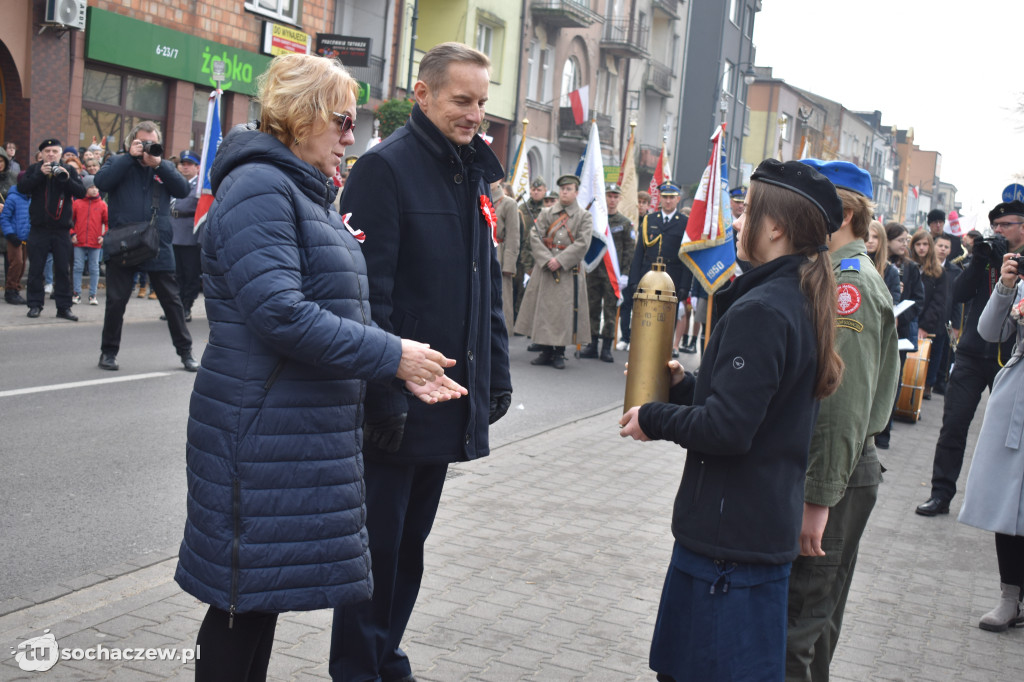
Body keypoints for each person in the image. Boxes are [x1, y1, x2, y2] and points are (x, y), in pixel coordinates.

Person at [173, 54, 465, 682]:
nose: (349, 137)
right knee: (239, 605)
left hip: (291, 430)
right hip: (259, 430)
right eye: (341, 120)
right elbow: (279, 312)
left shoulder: (301, 190)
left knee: (260, 599)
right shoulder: (260, 187)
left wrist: (396, 360)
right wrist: (394, 356)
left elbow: (330, 309)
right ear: (301, 117)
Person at [619, 158, 845, 681]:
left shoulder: (763, 309)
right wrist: (682, 388)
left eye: (747, 215)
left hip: (729, 548)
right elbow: (753, 409)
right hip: (747, 537)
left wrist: (654, 416)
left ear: (776, 227)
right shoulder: (794, 296)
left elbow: (729, 430)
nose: (736, 224)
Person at [329, 42, 512, 682]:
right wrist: (382, 391)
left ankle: (385, 654)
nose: (475, 114)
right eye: (463, 100)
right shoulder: (385, 169)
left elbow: (482, 283)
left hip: (443, 396)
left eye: (483, 102)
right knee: (374, 552)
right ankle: (358, 666)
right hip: (396, 398)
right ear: (423, 94)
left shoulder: (469, 172)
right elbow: (364, 297)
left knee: (410, 548)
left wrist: (495, 375)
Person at [783, 160, 899, 682]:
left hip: (836, 473)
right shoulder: (836, 274)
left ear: (843, 213)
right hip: (840, 472)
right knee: (817, 620)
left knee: (797, 630)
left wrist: (818, 500)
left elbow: (841, 407)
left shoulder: (847, 284)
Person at [916, 201, 1023, 515]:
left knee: (1007, 435)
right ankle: (940, 494)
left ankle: (998, 503)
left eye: (1005, 225)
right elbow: (958, 294)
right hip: (973, 354)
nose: (998, 230)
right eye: (996, 225)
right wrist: (980, 261)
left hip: (1012, 359)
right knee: (953, 425)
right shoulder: (987, 255)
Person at [94, 121, 196, 371]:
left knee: (172, 302)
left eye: (152, 142)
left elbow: (182, 190)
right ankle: (108, 353)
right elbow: (102, 182)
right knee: (116, 301)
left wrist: (159, 164)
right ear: (132, 142)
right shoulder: (119, 163)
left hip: (157, 242)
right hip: (123, 243)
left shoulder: (163, 166)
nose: (148, 147)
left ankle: (186, 353)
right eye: (142, 142)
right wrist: (130, 158)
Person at [958, 251, 1024, 632]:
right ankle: (1009, 597)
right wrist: (1005, 286)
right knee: (1008, 501)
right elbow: (989, 332)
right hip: (1016, 392)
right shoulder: (1017, 280)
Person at [514, 173, 593, 369]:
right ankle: (545, 350)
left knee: (564, 312)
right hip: (546, 269)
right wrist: (547, 259)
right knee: (545, 311)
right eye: (562, 189)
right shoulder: (547, 213)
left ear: (576, 192)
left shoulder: (584, 216)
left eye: (568, 189)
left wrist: (561, 261)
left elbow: (583, 243)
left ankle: (559, 352)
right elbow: (535, 236)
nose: (564, 193)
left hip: (568, 272)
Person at [17, 138, 85, 321]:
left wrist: (66, 178)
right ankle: (34, 305)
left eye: (54, 151)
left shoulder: (68, 169)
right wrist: (39, 174)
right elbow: (22, 188)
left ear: (60, 153)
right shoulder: (33, 169)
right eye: (47, 151)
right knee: (36, 269)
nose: (51, 154)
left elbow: (81, 193)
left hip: (62, 230)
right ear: (41, 154)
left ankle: (64, 307)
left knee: (63, 269)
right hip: (39, 229)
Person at [874, 222, 923, 449]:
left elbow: (917, 301)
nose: (906, 244)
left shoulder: (909, 269)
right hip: (872, 331)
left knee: (892, 380)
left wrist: (899, 317)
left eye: (906, 240)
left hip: (897, 332)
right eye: (901, 240)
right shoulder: (859, 263)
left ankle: (884, 430)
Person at [624, 182, 689, 350]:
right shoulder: (649, 220)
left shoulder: (684, 223)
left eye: (671, 198)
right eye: (665, 197)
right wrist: (634, 279)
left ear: (678, 199)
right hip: (648, 275)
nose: (668, 201)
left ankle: (664, 351)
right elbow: (639, 253)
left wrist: (684, 285)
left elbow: (687, 257)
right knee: (645, 316)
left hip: (671, 276)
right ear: (660, 198)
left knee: (667, 318)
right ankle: (643, 350)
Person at [580, 182, 633, 362]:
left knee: (610, 310)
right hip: (594, 270)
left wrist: (625, 273)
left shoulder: (625, 223)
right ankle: (592, 345)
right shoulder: (595, 220)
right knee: (592, 308)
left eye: (615, 196)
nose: (612, 200)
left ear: (619, 199)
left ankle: (606, 347)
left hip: (613, 273)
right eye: (609, 196)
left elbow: (628, 250)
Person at [909, 231, 948, 400]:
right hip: (908, 318)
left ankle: (925, 388)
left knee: (924, 361)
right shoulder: (908, 266)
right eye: (918, 244)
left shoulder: (939, 272)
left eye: (925, 244)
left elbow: (938, 302)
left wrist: (924, 326)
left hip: (926, 322)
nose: (922, 248)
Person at [170, 150, 202, 321]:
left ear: (198, 167)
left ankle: (187, 307)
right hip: (175, 231)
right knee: (176, 273)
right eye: (183, 164)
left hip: (190, 233)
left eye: (189, 164)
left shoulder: (201, 186)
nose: (185, 167)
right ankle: (176, 307)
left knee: (190, 274)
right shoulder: (177, 182)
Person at [932, 232, 964, 394]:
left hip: (946, 319)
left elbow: (957, 301)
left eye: (946, 247)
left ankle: (939, 382)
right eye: (940, 246)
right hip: (928, 318)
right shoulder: (925, 266)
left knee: (945, 353)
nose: (943, 249)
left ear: (950, 250)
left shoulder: (955, 271)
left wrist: (956, 325)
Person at [491, 179, 521, 336]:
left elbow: (513, 236)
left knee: (500, 299)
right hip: (482, 251)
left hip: (500, 255)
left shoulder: (508, 203)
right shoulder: (478, 196)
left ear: (500, 180)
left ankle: (501, 334)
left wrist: (509, 265)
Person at [71, 184, 108, 305]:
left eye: (96, 187)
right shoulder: (77, 203)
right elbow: (70, 220)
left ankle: (93, 294)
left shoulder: (102, 205)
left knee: (94, 268)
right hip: (79, 240)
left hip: (95, 241)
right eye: (91, 187)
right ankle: (77, 293)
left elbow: (108, 222)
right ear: (86, 188)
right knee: (77, 267)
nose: (95, 190)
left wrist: (103, 236)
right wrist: (72, 234)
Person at [515, 177, 546, 322]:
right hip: (524, 255)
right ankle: (521, 321)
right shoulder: (522, 209)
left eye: (539, 190)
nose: (535, 192)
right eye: (533, 189)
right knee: (522, 290)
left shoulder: (548, 210)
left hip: (541, 255)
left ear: (544, 191)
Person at [1, 184, 30, 305]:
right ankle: (10, 290)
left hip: (26, 237)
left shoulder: (31, 198)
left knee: (22, 265)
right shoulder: (13, 198)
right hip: (14, 236)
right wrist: (10, 234)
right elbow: (5, 217)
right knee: (16, 262)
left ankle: (16, 288)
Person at [865, 220, 900, 304]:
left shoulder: (891, 271)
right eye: (867, 236)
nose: (870, 240)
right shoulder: (853, 264)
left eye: (875, 237)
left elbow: (893, 301)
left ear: (882, 239)